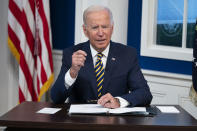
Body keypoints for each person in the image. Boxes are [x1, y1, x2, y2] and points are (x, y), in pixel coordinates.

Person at [51, 5, 152, 108]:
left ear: (112, 28)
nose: (100, 33)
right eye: (95, 27)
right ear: (85, 30)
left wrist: (118, 101)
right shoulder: (72, 54)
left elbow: (144, 93)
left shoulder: (127, 54)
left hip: (114, 120)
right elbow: (56, 98)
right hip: (81, 121)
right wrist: (72, 72)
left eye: (104, 27)